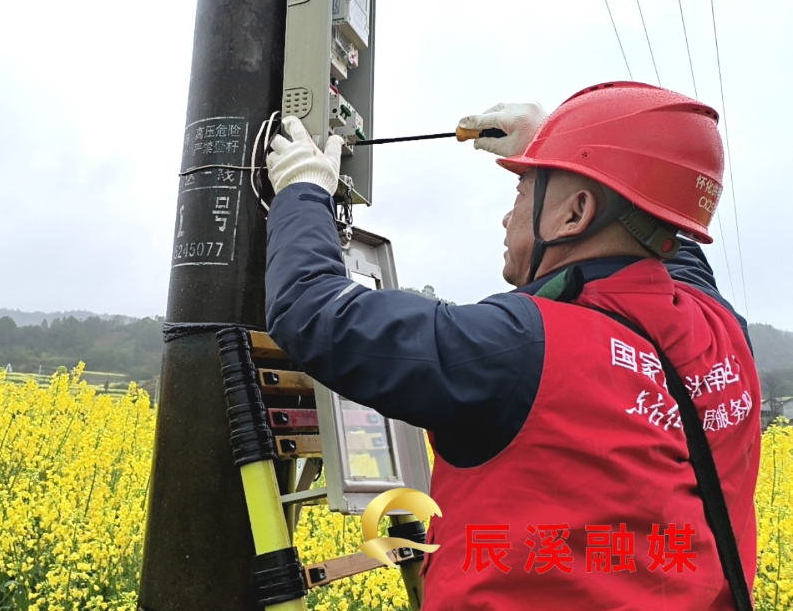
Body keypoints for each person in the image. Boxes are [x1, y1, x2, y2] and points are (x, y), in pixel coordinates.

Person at [264, 82, 759, 610]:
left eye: (523, 193)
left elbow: (313, 310)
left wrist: (303, 190)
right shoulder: (723, 332)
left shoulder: (519, 346)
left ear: (576, 213)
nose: (508, 217)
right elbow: (665, 244)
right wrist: (561, 144)